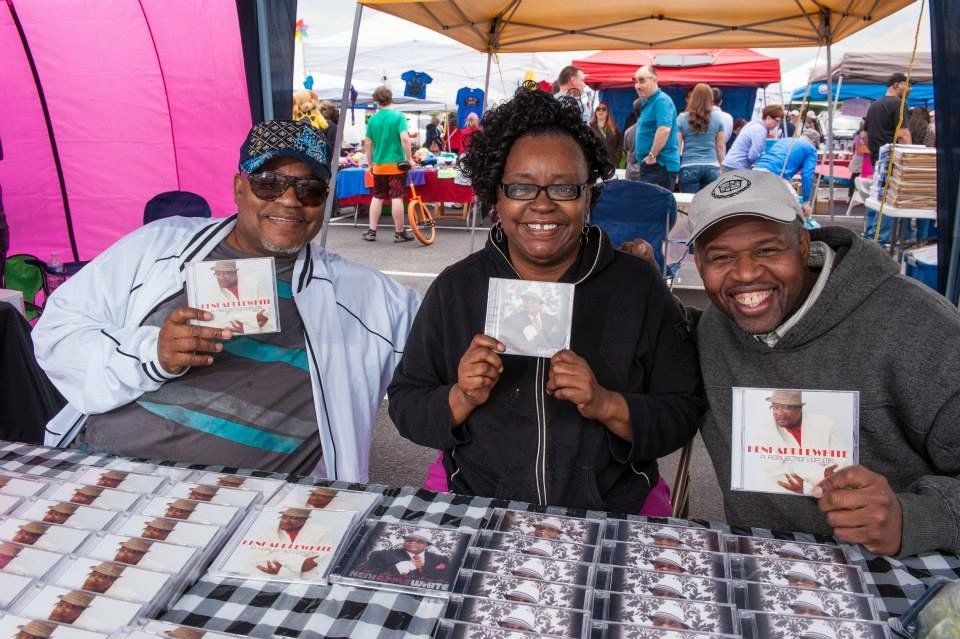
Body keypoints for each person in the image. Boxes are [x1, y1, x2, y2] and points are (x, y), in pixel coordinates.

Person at [33, 119, 419, 480]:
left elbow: (440, 344)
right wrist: (153, 353)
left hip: (252, 505)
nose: (289, 201)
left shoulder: (363, 295)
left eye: (309, 189)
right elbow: (56, 333)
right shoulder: (158, 246)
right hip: (111, 471)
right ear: (239, 187)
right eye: (268, 183)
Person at [388, 85, 702, 513]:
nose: (542, 205)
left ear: (588, 195)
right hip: (477, 500)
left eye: (563, 189)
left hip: (613, 506)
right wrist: (462, 396)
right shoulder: (456, 289)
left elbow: (683, 413)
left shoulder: (637, 288)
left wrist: (606, 404)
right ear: (494, 195)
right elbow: (406, 406)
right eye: (520, 188)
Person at [690, 169, 960, 557]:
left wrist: (913, 517)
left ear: (802, 244)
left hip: (898, 582)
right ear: (699, 263)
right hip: (759, 572)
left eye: (767, 250)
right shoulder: (712, 331)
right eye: (722, 257)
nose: (746, 273)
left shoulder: (920, 327)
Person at [361, 86, 416, 242]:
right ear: (391, 98)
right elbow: (405, 139)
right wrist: (410, 158)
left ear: (376, 101)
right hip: (396, 165)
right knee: (396, 197)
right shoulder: (398, 117)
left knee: (377, 197)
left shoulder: (373, 119)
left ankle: (372, 231)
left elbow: (367, 142)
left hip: (378, 165)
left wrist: (371, 163)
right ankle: (399, 233)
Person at [752, 129, 821, 218]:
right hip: (775, 175)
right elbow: (807, 175)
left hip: (756, 170)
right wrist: (806, 201)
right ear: (814, 142)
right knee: (796, 209)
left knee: (762, 208)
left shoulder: (785, 140)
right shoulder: (811, 149)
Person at [632, 65, 680, 190]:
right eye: (635, 81)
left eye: (642, 80)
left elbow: (664, 129)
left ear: (654, 80)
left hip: (659, 165)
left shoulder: (661, 101)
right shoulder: (647, 102)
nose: (637, 86)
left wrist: (652, 155)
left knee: (656, 206)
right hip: (652, 165)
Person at [249, 507, 327, 578]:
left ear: (304, 520)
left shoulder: (321, 532)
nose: (285, 521)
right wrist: (299, 563)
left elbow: (312, 564)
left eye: (293, 518)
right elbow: (257, 559)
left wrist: (276, 557)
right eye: (284, 517)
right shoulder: (266, 530)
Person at [676, 83, 726, 193]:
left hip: (689, 166)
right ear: (711, 98)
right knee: (709, 206)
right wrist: (722, 167)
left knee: (690, 206)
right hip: (712, 167)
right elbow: (720, 146)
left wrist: (676, 169)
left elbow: (677, 147)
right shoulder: (718, 118)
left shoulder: (681, 118)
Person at [200, 260, 273, 334]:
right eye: (218, 274)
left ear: (235, 273)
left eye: (226, 274)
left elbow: (265, 315)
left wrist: (236, 318)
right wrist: (253, 317)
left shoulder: (254, 284)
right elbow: (220, 321)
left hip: (266, 333)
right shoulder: (211, 292)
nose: (221, 278)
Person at [363, 530, 451, 582]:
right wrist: (404, 566)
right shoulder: (381, 555)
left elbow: (447, 580)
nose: (413, 542)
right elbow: (369, 576)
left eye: (419, 541)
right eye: (409, 540)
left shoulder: (440, 559)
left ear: (427, 545)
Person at [864, 72, 912, 165]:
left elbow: (864, 135)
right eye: (907, 85)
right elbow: (903, 135)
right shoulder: (899, 104)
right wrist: (909, 160)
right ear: (896, 85)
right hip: (892, 161)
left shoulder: (874, 105)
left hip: (876, 160)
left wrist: (876, 152)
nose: (909, 89)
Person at [498, 290, 565, 353]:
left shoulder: (552, 320)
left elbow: (557, 342)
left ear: (540, 304)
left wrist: (539, 331)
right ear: (523, 303)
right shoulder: (511, 321)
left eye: (534, 300)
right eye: (526, 300)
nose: (530, 303)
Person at [722, 105, 784, 171]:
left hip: (730, 164)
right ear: (768, 118)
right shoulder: (760, 130)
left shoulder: (753, 124)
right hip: (736, 167)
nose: (778, 124)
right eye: (777, 121)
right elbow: (753, 156)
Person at [589, 102, 623, 167]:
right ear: (595, 112)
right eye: (598, 109)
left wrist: (617, 157)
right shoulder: (590, 128)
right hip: (597, 165)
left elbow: (620, 144)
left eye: (604, 109)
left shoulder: (614, 129)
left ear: (607, 113)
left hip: (613, 164)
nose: (601, 111)